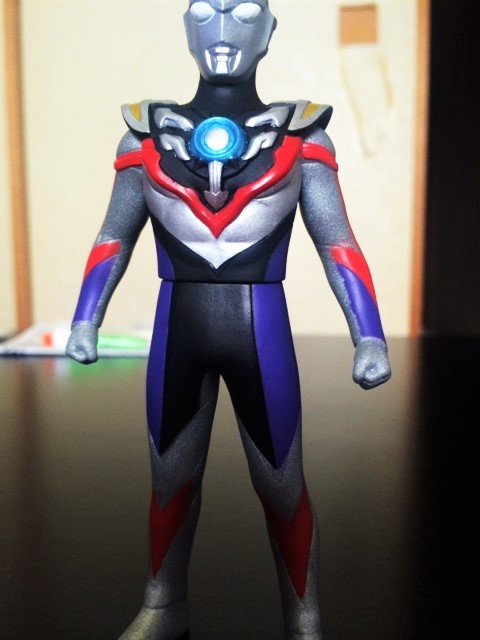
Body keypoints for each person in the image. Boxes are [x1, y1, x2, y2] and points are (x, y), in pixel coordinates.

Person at [66, 2, 391, 638]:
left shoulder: (303, 137)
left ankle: (305, 620)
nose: (222, 28)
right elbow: (114, 236)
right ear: (186, 28)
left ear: (269, 32)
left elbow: (337, 242)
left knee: (281, 484)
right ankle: (163, 604)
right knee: (169, 478)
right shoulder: (144, 136)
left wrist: (369, 335)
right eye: (205, 11)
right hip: (178, 326)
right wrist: (85, 319)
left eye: (243, 12)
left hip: (259, 328)